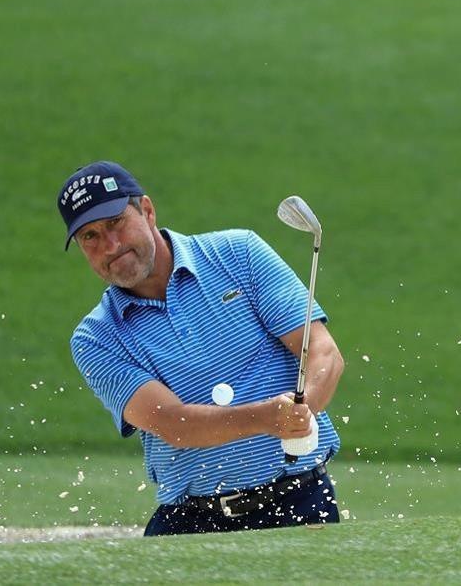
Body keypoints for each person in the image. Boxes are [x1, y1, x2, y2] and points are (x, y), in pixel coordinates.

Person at [57, 161, 346, 536]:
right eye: (90, 237)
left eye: (116, 223)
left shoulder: (239, 253)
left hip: (299, 505)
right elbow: (171, 422)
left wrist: (305, 408)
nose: (110, 246)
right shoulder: (96, 337)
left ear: (147, 210)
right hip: (192, 523)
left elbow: (323, 352)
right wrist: (267, 418)